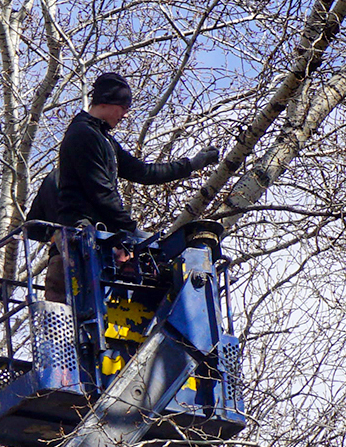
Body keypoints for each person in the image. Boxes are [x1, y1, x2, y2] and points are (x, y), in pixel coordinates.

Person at [44, 71, 219, 300]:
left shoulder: (103, 138)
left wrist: (191, 164)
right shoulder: (83, 135)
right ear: (107, 102)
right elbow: (102, 192)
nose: (125, 115)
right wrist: (131, 230)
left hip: (96, 241)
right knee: (82, 310)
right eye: (124, 107)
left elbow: (142, 172)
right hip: (79, 240)